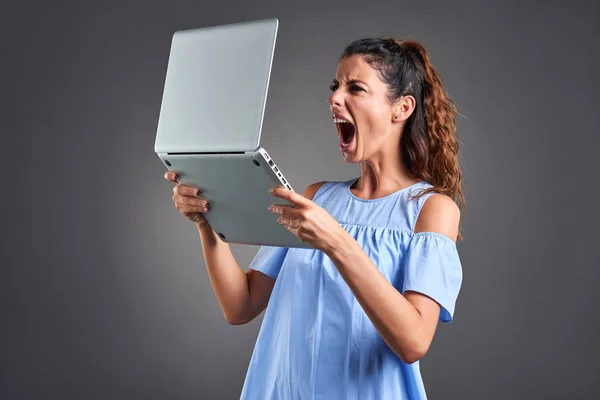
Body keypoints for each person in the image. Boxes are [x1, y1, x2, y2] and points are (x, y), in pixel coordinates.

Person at [165, 37, 465, 400]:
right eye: (335, 86)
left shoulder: (430, 210)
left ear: (401, 108)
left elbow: (414, 341)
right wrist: (206, 223)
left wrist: (337, 242)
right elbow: (240, 306)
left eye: (355, 88)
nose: (335, 98)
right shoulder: (315, 197)